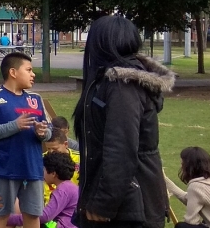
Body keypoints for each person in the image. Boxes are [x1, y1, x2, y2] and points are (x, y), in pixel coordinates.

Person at [72, 15, 172, 228]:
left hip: (129, 207)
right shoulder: (106, 81)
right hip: (119, 201)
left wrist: (104, 203)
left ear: (102, 44)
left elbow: (121, 148)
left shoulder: (122, 85)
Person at [0, 52, 52, 228]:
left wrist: (43, 133)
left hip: (32, 168)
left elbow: (49, 131)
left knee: (33, 215)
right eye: (29, 70)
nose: (33, 74)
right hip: (5, 169)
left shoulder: (36, 99)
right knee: (2, 214)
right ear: (13, 72)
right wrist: (14, 126)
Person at [7, 152, 79, 228]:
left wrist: (10, 219)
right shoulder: (70, 186)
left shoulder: (63, 190)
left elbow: (45, 216)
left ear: (53, 174)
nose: (42, 173)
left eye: (44, 170)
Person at [165, 147, 210, 228]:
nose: (180, 166)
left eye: (182, 164)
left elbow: (191, 221)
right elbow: (188, 198)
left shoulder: (197, 187)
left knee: (182, 226)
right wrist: (164, 179)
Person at [42, 126, 80, 205]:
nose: (51, 152)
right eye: (48, 149)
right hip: (50, 203)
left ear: (65, 144)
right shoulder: (42, 160)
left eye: (55, 149)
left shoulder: (79, 159)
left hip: (74, 202)